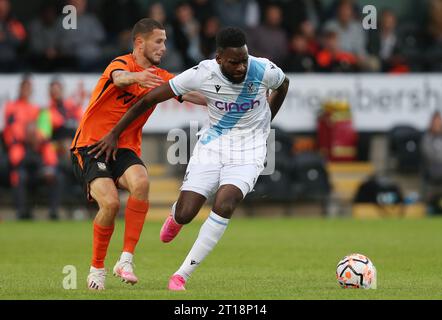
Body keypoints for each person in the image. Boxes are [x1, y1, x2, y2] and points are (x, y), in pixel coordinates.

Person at [88, 27, 290, 291]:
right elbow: (149, 99)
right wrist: (114, 133)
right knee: (186, 212)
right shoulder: (202, 73)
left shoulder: (263, 69)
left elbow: (283, 84)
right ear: (219, 58)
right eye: (234, 62)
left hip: (249, 151)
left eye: (244, 59)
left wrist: (266, 122)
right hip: (213, 146)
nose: (241, 67)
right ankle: (176, 217)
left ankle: (181, 274)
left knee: (225, 202)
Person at [70, 18, 205, 290]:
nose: (164, 47)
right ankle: (97, 268)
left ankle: (126, 260)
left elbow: (193, 95)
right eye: (159, 41)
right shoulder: (120, 64)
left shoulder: (161, 77)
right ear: (139, 42)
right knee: (109, 204)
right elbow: (119, 79)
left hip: (125, 147)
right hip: (91, 145)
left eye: (165, 41)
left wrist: (229, 98)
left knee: (142, 182)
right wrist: (137, 77)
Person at [3, 76, 60, 220]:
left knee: (53, 175)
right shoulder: (12, 107)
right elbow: (10, 131)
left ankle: (53, 213)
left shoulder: (37, 109)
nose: (27, 90)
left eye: (29, 88)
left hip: (37, 152)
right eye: (24, 87)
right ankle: (21, 212)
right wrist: (26, 134)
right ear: (20, 89)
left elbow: (46, 130)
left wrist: (37, 137)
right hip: (21, 152)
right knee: (19, 176)